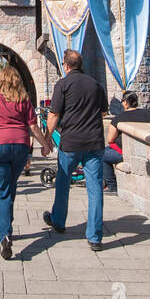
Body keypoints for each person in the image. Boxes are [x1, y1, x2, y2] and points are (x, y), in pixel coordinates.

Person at [0, 64, 52, 259]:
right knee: (10, 186)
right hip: (19, 146)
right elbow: (33, 126)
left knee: (0, 191)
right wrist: (45, 145)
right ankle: (6, 226)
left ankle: (4, 235)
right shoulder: (22, 97)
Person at [44, 49, 109, 250]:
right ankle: (95, 237)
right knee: (95, 188)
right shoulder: (96, 85)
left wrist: (47, 139)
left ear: (65, 65)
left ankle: (59, 221)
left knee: (63, 182)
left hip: (71, 142)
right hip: (94, 143)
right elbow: (104, 111)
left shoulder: (63, 84)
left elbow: (54, 114)